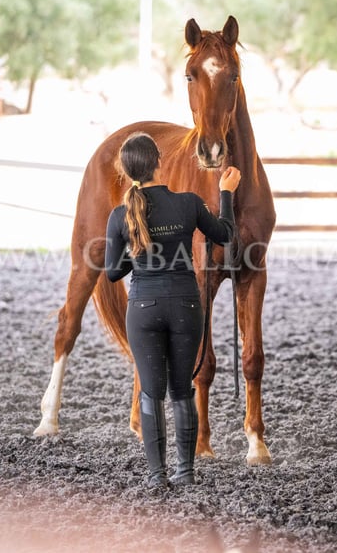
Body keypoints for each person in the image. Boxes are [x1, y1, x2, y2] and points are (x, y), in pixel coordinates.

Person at [104, 131, 240, 489]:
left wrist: (141, 256)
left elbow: (114, 271)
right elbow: (225, 234)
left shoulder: (120, 215)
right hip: (185, 303)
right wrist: (226, 193)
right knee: (182, 390)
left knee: (151, 393)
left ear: (126, 170)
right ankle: (186, 471)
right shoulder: (189, 203)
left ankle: (157, 475)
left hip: (144, 308)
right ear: (160, 163)